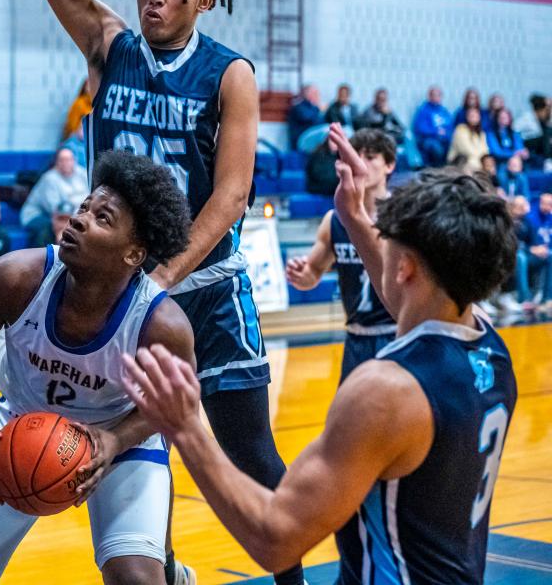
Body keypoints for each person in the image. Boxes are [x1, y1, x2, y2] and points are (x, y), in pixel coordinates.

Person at [122, 127, 519, 583]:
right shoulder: (491, 346)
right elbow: (404, 297)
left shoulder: (386, 393)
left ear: (406, 266)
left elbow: (275, 539)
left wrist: (188, 429)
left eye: (392, 247)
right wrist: (353, 215)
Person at [24, 0, 301, 581]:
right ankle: (167, 567)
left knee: (251, 453)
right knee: (144, 449)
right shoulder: (109, 47)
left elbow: (232, 195)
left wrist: (159, 281)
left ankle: (294, 575)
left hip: (205, 290)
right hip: (122, 290)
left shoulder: (229, 74)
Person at [0, 151, 195, 585]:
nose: (78, 220)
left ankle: (167, 570)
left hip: (121, 443)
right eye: (83, 208)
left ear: (134, 254)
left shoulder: (161, 324)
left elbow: (178, 406)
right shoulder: (16, 277)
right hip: (18, 431)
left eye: (103, 219)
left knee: (137, 579)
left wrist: (117, 439)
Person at [286, 129, 396, 381]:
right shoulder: (334, 220)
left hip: (397, 334)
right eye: (356, 155)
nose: (361, 163)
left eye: (370, 157)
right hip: (356, 338)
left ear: (389, 165)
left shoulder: (403, 216)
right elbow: (312, 274)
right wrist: (302, 273)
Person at [19, 147, 89, 245]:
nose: (66, 163)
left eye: (69, 159)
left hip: (71, 214)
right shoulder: (49, 178)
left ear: (74, 160)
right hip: (37, 215)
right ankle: (43, 256)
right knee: (51, 227)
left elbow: (90, 197)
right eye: (62, 160)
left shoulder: (83, 174)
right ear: (57, 162)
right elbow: (57, 210)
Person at [411, 86, 452, 168]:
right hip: (428, 139)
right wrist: (436, 131)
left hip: (444, 139)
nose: (436, 97)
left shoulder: (444, 111)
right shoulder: (423, 111)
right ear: (429, 96)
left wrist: (446, 133)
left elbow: (450, 126)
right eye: (434, 95)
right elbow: (420, 128)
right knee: (435, 148)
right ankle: (437, 170)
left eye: (438, 95)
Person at [448, 107, 490, 172]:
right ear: (466, 117)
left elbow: (485, 150)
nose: (474, 117)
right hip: (461, 161)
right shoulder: (460, 129)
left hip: (477, 161)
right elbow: (466, 149)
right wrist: (480, 161)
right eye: (471, 115)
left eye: (476, 115)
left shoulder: (481, 133)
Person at [515, 94, 552, 167]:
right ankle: (548, 160)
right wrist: (520, 147)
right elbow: (514, 130)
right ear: (540, 110)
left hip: (539, 144)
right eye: (546, 110)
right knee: (547, 133)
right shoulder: (526, 117)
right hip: (526, 142)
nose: (547, 112)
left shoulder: (544, 120)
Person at [287, 84, 324, 150]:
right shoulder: (298, 107)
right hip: (301, 141)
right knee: (325, 132)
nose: (318, 96)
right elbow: (307, 118)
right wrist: (318, 108)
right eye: (316, 93)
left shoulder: (313, 108)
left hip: (311, 140)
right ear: (309, 95)